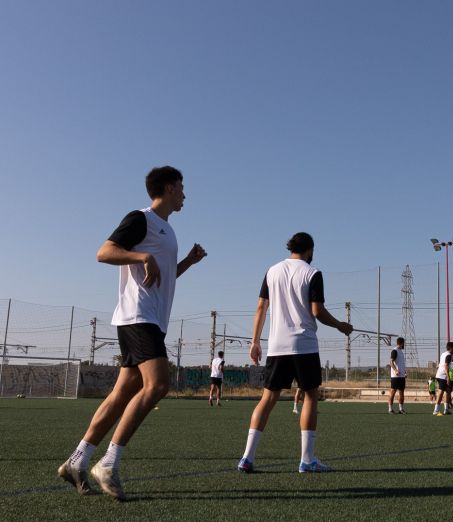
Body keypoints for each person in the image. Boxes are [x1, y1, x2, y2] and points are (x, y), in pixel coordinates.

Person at [57, 166, 207, 500]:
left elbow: (161, 277)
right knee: (158, 385)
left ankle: (77, 461)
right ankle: (109, 463)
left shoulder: (167, 230)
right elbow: (104, 252)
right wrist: (141, 254)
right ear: (168, 188)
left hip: (148, 318)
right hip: (139, 317)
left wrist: (187, 263)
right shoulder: (142, 219)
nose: (185, 193)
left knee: (122, 393)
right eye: (181, 187)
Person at [237, 232, 353, 474]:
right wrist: (340, 325)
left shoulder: (272, 271)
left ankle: (247, 457)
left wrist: (255, 341)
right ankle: (307, 460)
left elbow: (261, 306)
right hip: (304, 345)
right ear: (309, 250)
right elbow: (316, 311)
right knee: (310, 396)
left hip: (277, 346)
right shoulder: (312, 273)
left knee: (267, 399)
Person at [433, 342, 453, 415]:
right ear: (451, 348)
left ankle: (446, 409)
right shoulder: (448, 355)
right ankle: (436, 410)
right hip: (442, 376)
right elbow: (446, 366)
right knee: (441, 392)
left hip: (441, 374)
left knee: (448, 391)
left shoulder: (444, 354)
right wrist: (448, 377)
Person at [388, 337, 407, 414]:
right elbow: (391, 362)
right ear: (402, 343)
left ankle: (401, 409)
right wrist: (395, 370)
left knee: (401, 392)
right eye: (404, 343)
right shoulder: (394, 351)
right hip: (395, 377)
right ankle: (390, 409)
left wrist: (404, 372)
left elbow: (401, 364)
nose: (404, 345)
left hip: (402, 376)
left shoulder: (401, 352)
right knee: (393, 392)